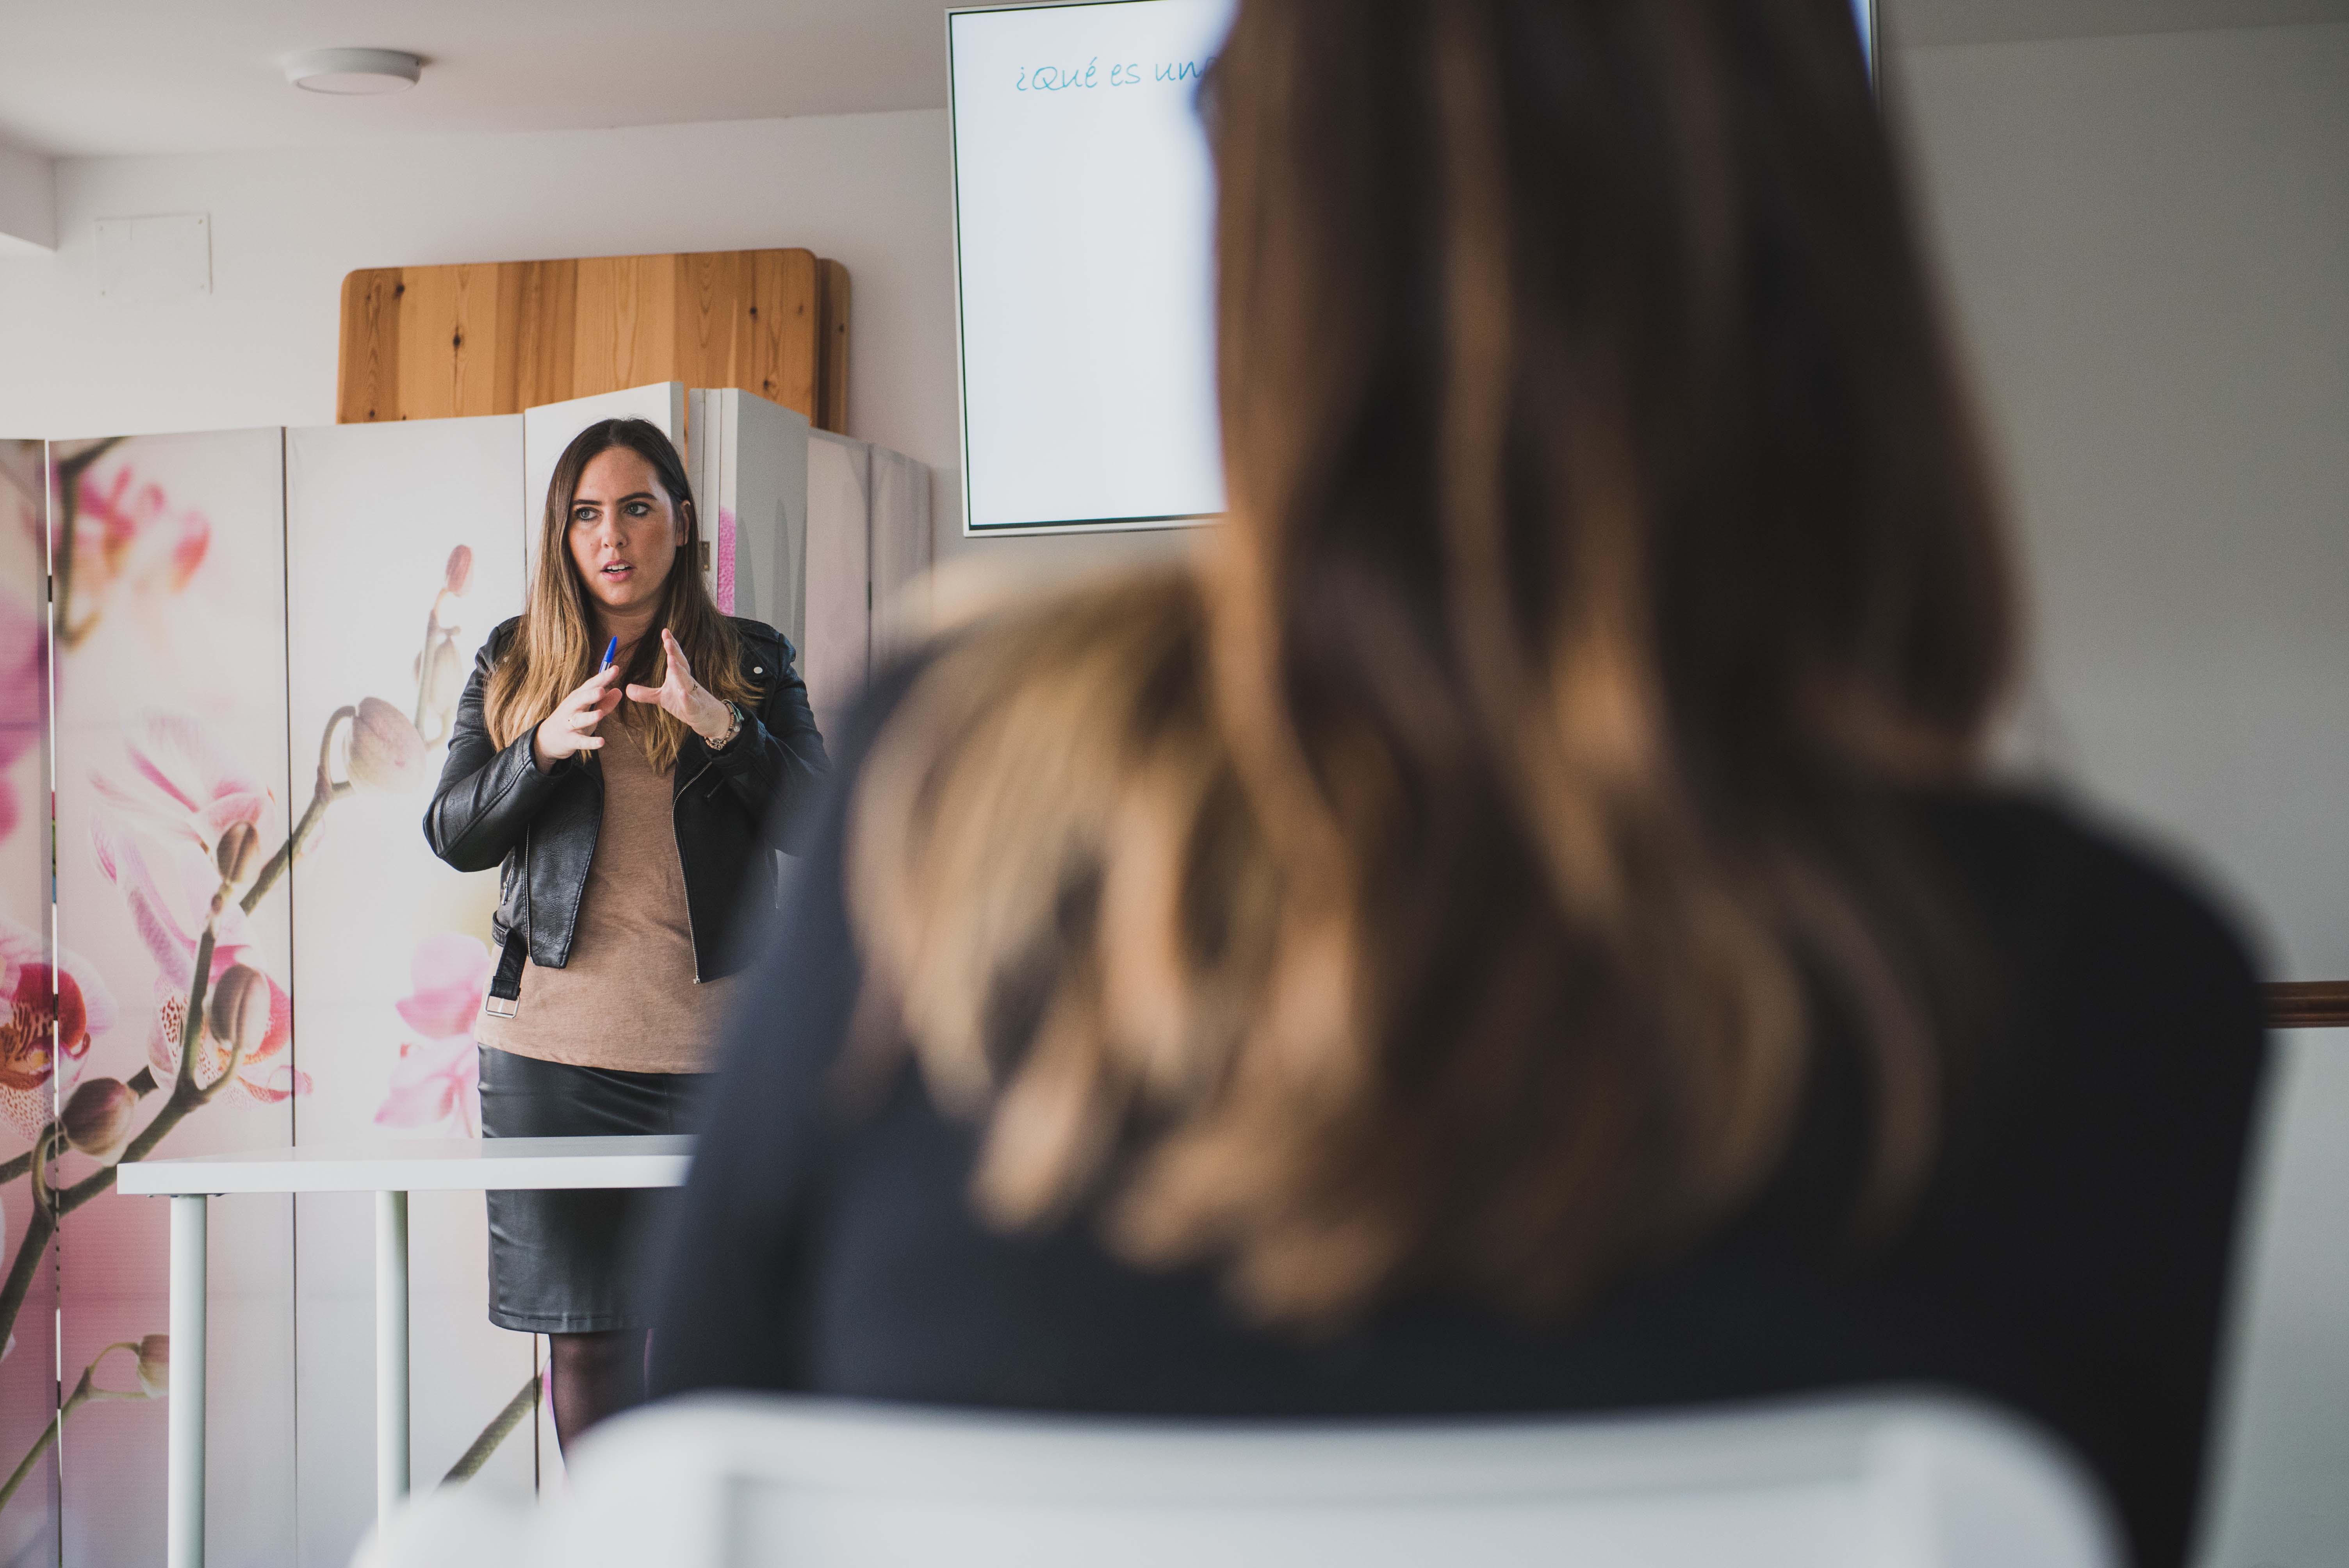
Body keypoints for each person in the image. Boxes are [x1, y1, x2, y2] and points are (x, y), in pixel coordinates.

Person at [646, 4, 2266, 1564]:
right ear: (1840, 266)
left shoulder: (949, 805)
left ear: (1266, 271)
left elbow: (695, 1463)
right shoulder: (2119, 991)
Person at [424, 418, 827, 1451]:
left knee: (720, 1347)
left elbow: (830, 823)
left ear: (682, 523)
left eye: (638, 508)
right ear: (564, 535)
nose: (614, 537)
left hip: (720, 1069)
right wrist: (543, 749)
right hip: (553, 1067)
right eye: (588, 514)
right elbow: (453, 832)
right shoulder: (515, 659)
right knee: (588, 1352)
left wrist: (722, 726)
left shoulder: (755, 660)